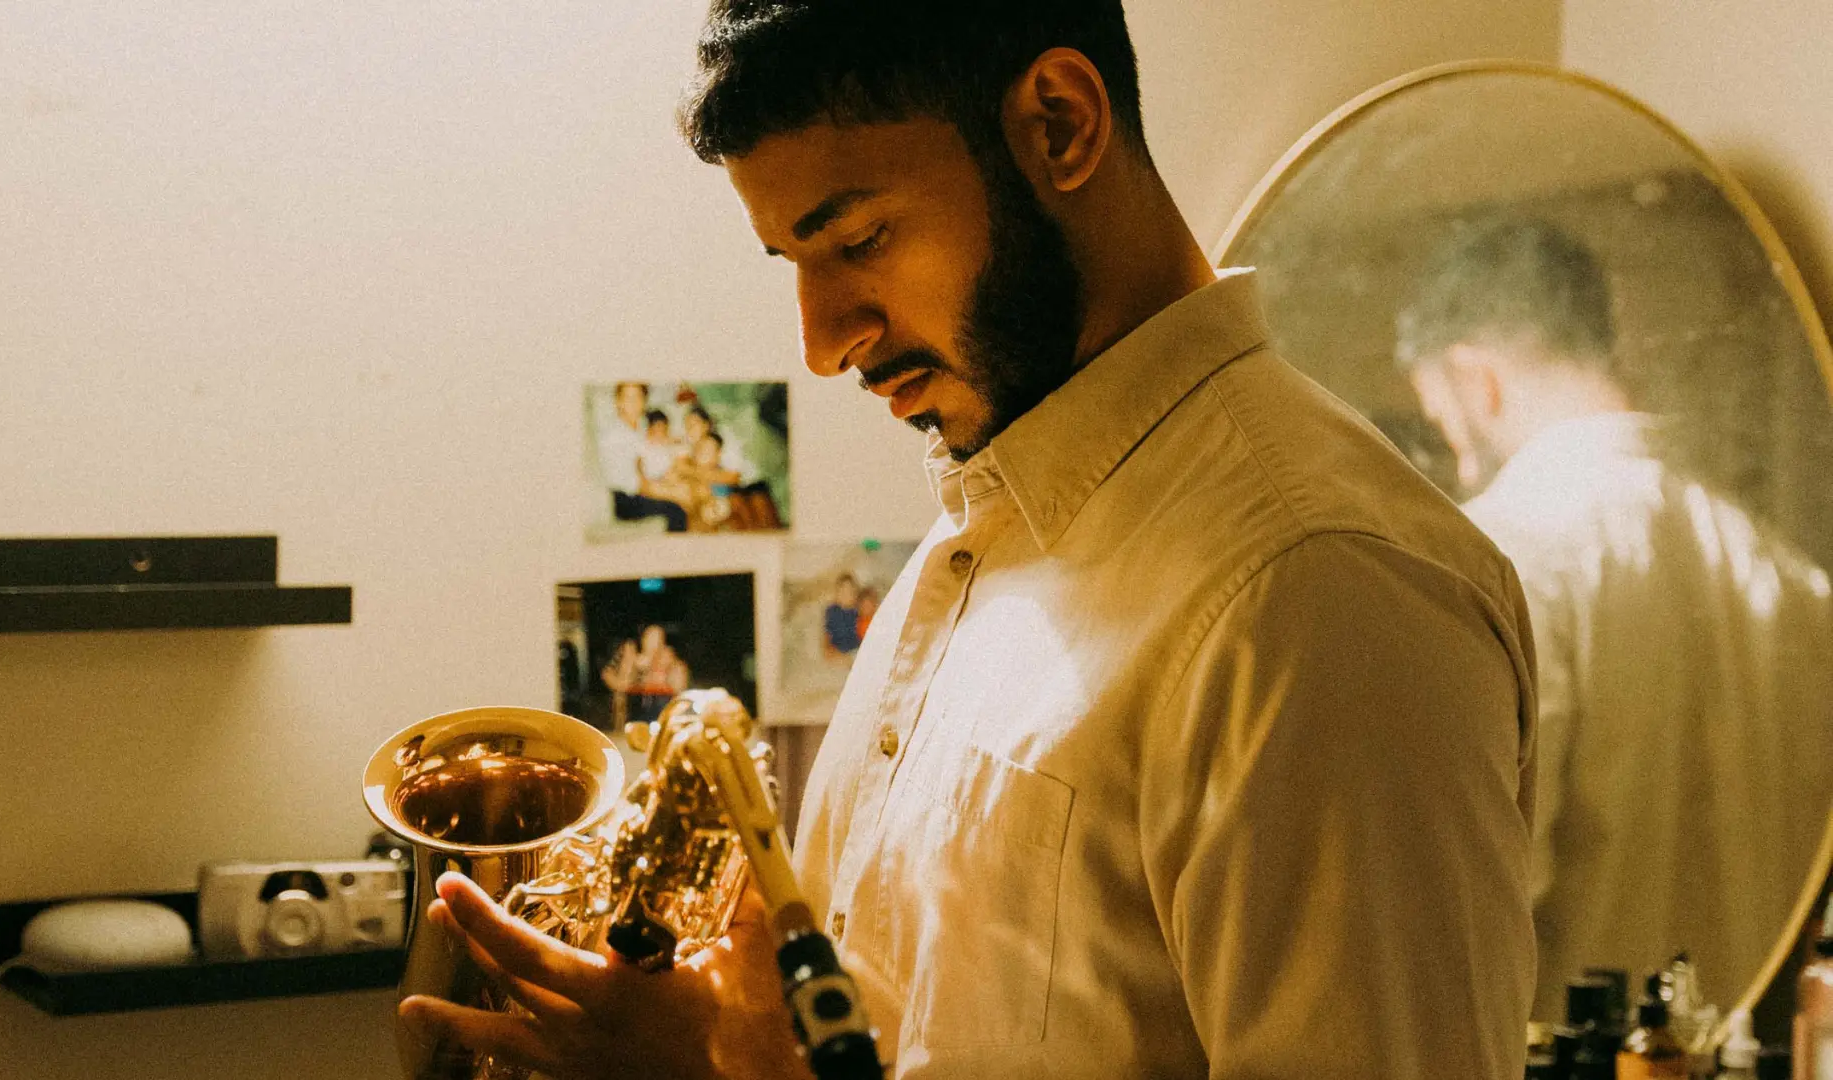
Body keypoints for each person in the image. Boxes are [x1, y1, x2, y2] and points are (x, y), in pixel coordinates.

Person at [400, 5, 1539, 1078]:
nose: (822, 341)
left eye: (857, 239)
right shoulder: (982, 540)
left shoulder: (1316, 587)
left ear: (1060, 123)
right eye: (794, 266)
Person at [1395, 216, 1833, 1013]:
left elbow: (1471, 918)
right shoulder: (1791, 583)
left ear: (1475, 380)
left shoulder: (1503, 556)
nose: (1456, 459)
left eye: (1440, 420)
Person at [597, 382, 689, 532]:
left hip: (650, 482)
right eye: (628, 398)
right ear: (618, 401)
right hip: (627, 499)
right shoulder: (612, 436)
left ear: (645, 401)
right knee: (677, 510)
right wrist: (668, 492)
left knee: (690, 489)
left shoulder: (642, 425)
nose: (633, 403)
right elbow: (629, 482)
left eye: (638, 397)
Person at [820, 573, 864, 659]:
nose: (846, 596)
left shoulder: (858, 610)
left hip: (855, 650)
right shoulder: (832, 611)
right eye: (843, 592)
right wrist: (828, 650)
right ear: (836, 594)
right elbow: (826, 635)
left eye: (850, 592)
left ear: (856, 594)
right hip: (838, 652)